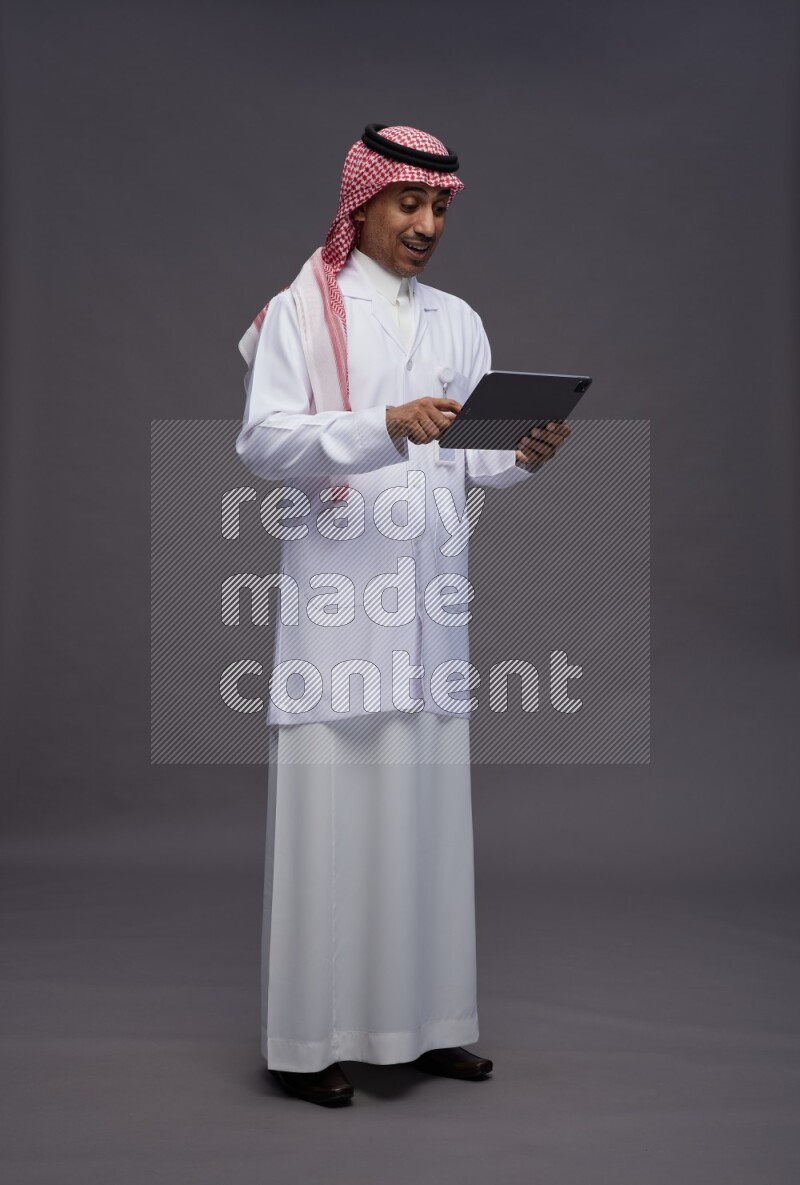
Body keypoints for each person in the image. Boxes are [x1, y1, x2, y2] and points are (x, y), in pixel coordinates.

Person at [235, 124, 569, 1107]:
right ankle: (306, 1045)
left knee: (423, 829)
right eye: (408, 203)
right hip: (340, 611)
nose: (426, 224)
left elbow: (473, 459)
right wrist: (381, 424)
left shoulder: (458, 322)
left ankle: (427, 1026)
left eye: (439, 208)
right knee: (331, 830)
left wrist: (520, 453)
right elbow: (263, 441)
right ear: (363, 203)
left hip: (428, 610)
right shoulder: (304, 309)